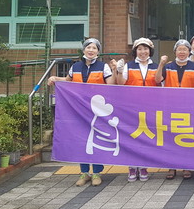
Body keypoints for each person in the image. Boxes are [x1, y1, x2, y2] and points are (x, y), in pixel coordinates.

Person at [47, 38, 114, 187]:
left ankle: (97, 172)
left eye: (94, 48)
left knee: (97, 140)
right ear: (83, 50)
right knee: (81, 141)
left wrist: (115, 70)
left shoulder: (103, 67)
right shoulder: (75, 66)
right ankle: (84, 172)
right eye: (88, 47)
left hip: (97, 111)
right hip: (78, 110)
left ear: (98, 52)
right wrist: (55, 78)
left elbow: (111, 86)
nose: (91, 50)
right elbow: (68, 80)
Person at [112, 37, 159, 182]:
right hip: (131, 108)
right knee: (131, 137)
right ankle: (132, 167)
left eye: (145, 49)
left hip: (150, 107)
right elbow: (120, 83)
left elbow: (160, 84)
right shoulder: (129, 66)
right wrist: (120, 71)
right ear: (135, 51)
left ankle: (143, 166)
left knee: (146, 138)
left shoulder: (156, 66)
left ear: (150, 51)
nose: (143, 52)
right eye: (139, 49)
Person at [155, 39, 194, 179]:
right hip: (170, 107)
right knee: (170, 137)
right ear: (175, 51)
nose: (182, 52)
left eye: (185, 49)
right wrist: (161, 64)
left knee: (187, 137)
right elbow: (157, 80)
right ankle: (171, 167)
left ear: (189, 51)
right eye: (179, 49)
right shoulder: (168, 66)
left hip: (189, 107)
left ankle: (186, 166)